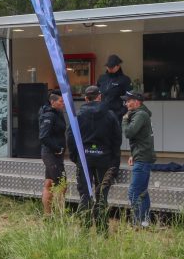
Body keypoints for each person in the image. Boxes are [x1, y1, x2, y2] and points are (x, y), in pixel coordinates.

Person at [65, 85, 122, 230]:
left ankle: (85, 227)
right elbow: (117, 139)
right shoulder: (110, 115)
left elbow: (70, 137)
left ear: (85, 98)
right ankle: (102, 229)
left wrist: (75, 156)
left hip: (84, 158)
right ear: (99, 97)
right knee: (102, 194)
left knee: (85, 194)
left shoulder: (77, 115)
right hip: (104, 158)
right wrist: (114, 159)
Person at [122, 90, 156, 228]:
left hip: (142, 158)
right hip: (141, 156)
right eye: (126, 101)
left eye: (129, 100)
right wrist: (133, 155)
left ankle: (137, 222)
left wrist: (124, 120)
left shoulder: (140, 114)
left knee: (134, 192)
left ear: (137, 101)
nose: (126, 103)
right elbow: (141, 138)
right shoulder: (141, 114)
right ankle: (145, 221)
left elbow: (129, 133)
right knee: (142, 191)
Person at [38, 90, 67, 216]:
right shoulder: (49, 116)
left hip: (56, 155)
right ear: (52, 102)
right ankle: (60, 215)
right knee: (62, 184)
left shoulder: (58, 113)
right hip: (51, 155)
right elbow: (43, 136)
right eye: (61, 101)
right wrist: (57, 148)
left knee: (49, 183)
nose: (63, 103)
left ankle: (47, 215)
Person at [96, 54, 132, 123]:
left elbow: (130, 98)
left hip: (117, 115)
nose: (110, 68)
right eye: (108, 66)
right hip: (102, 114)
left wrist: (122, 112)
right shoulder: (102, 78)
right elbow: (97, 94)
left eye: (112, 66)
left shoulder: (125, 80)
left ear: (118, 66)